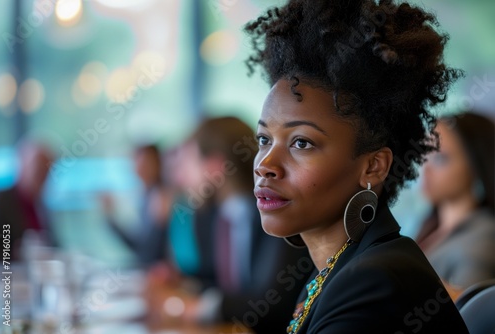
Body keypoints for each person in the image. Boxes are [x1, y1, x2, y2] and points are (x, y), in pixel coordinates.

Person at [244, 0, 468, 333]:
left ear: (373, 167)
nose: (266, 165)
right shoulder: (332, 273)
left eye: (301, 143)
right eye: (264, 140)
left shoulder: (374, 283)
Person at [145, 117, 312, 333]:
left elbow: (271, 304)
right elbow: (223, 283)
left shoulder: (273, 214)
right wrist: (184, 284)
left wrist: (193, 308)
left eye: (188, 162)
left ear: (215, 167)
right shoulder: (219, 215)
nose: (179, 176)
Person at [417, 112, 495, 289]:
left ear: (476, 166)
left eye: (440, 158)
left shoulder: (482, 240)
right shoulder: (431, 227)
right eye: (425, 154)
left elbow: (471, 313)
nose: (426, 169)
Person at [103, 144, 173, 267]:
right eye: (137, 162)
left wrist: (111, 219)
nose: (138, 167)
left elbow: (147, 251)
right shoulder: (147, 195)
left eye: (144, 163)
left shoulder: (160, 197)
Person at [0, 141, 55, 261]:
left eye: (47, 171)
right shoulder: (0, 202)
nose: (43, 176)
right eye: (38, 169)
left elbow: (54, 244)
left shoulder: (40, 205)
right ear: (22, 164)